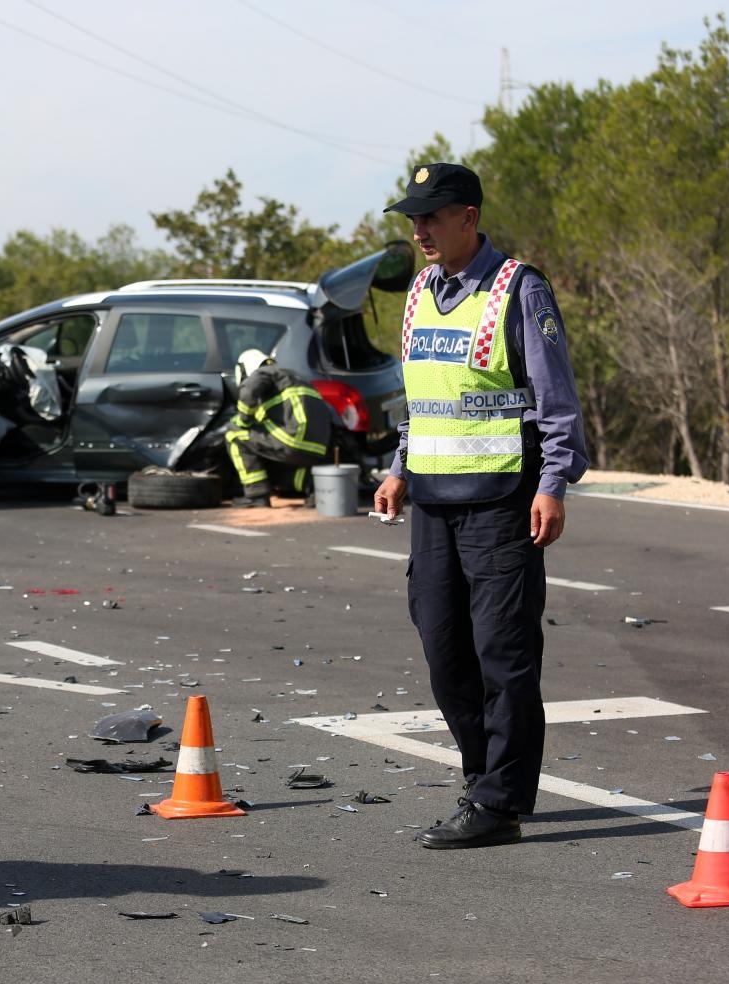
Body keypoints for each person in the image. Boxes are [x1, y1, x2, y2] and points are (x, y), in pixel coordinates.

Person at [372, 163, 588, 849]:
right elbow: (423, 399)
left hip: (503, 499)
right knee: (444, 649)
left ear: (468, 216)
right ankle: (482, 777)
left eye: (432, 216)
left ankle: (500, 802)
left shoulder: (518, 290)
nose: (420, 229)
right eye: (414, 218)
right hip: (432, 501)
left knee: (505, 653)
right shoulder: (417, 293)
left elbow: (556, 401)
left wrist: (554, 482)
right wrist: (400, 469)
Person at [225, 348, 332, 507]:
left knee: (234, 434)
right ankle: (313, 486)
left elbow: (248, 391)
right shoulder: (295, 377)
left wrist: (244, 420)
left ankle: (256, 495)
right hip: (318, 449)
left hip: (292, 440)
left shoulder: (263, 373)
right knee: (270, 459)